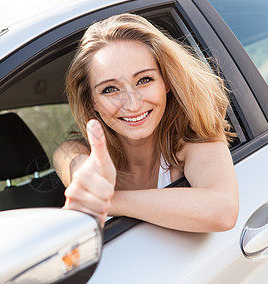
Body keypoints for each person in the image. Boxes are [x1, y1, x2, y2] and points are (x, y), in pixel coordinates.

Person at [53, 13, 239, 232]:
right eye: (110, 89)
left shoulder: (193, 140)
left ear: (167, 82)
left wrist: (109, 201)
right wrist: (85, 178)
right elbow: (73, 162)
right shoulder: (76, 150)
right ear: (92, 102)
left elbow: (223, 211)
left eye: (144, 80)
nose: (132, 104)